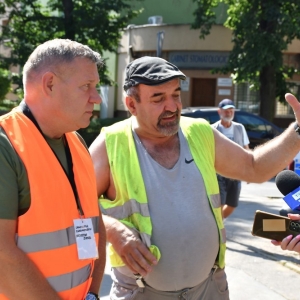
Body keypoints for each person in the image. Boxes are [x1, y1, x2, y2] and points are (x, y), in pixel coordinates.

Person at [89, 56, 300, 300]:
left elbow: (253, 167)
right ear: (131, 104)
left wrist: (297, 131)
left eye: (176, 95)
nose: (172, 106)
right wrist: (114, 230)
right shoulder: (110, 144)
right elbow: (75, 208)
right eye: (158, 98)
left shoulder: (199, 131)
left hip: (210, 288)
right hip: (141, 293)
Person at [0, 39, 106, 300]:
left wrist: (92, 293)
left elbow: (95, 224)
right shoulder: (5, 144)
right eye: (86, 87)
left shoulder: (76, 141)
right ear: (49, 84)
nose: (97, 98)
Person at [212, 99, 250, 218]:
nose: (229, 113)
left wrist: (249, 170)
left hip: (235, 174)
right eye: (226, 110)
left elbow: (246, 149)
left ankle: (218, 223)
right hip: (218, 174)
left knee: (232, 204)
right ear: (219, 112)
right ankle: (217, 227)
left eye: (231, 110)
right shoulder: (212, 129)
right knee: (220, 203)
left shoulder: (239, 128)